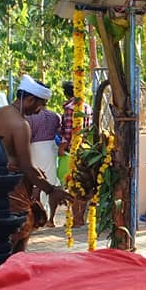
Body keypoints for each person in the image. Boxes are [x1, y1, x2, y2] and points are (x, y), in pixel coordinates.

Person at [0, 75, 70, 253]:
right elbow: (26, 167)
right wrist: (52, 190)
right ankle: (12, 274)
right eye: (41, 104)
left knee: (6, 236)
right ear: (30, 99)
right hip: (13, 185)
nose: (40, 110)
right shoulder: (20, 124)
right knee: (18, 233)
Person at [57, 80, 92, 227]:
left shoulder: (70, 108)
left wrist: (62, 147)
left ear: (66, 93)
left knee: (73, 183)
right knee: (82, 183)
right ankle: (79, 218)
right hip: (86, 148)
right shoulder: (87, 107)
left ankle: (76, 219)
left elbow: (68, 132)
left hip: (73, 150)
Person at [26, 105, 62, 226]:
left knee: (37, 182)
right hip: (51, 148)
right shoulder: (55, 116)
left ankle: (38, 218)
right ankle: (51, 219)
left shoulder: (30, 117)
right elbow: (59, 132)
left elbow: (28, 135)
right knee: (52, 183)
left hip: (35, 148)